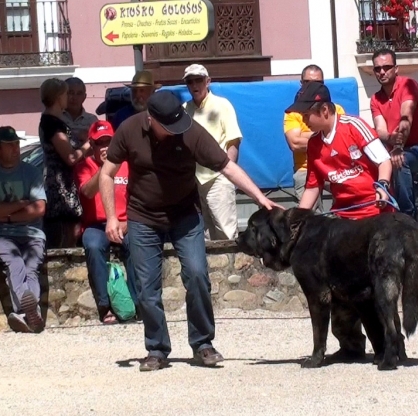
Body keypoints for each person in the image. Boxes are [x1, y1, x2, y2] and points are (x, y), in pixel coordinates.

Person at [99, 90, 282, 372]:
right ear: (151, 119)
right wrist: (112, 217)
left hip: (185, 214)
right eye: (168, 127)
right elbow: (107, 173)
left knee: (197, 275)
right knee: (147, 289)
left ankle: (203, 344)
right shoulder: (130, 129)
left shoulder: (190, 132)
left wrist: (260, 197)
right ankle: (157, 349)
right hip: (143, 217)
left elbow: (227, 167)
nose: (175, 131)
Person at [286, 81, 393, 360]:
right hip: (343, 224)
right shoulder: (314, 145)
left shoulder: (353, 126)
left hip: (373, 221)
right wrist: (296, 221)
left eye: (306, 114)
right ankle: (351, 346)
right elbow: (313, 187)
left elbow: (384, 161)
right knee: (343, 292)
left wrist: (382, 184)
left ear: (324, 110)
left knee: (377, 291)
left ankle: (392, 347)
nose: (303, 120)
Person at [74, 120, 138, 324]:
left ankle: (137, 304)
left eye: (108, 142)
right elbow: (87, 191)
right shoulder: (84, 166)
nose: (105, 147)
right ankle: (105, 306)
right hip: (96, 225)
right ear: (92, 146)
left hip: (125, 223)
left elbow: (138, 197)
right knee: (93, 246)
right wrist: (106, 168)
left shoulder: (129, 165)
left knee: (137, 245)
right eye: (99, 143)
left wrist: (128, 222)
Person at [370, 48, 418, 219]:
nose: (382, 71)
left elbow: (407, 117)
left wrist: (398, 146)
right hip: (392, 150)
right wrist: (391, 139)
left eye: (386, 67)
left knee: (400, 161)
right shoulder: (375, 99)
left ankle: (407, 217)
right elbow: (380, 130)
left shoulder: (408, 85)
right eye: (377, 69)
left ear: (396, 69)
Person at [182, 64, 241, 240]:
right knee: (205, 235)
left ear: (208, 81)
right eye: (190, 81)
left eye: (198, 80)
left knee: (226, 232)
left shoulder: (222, 105)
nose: (194, 85)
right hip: (195, 181)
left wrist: (227, 174)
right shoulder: (185, 108)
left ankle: (231, 269)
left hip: (218, 178)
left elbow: (233, 140)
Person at [0, 126, 46, 333]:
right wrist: (22, 203)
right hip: (4, 236)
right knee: (15, 262)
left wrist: (7, 216)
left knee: (31, 268)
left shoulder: (31, 172)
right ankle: (30, 312)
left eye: (16, 144)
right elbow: (29, 206)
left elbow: (39, 208)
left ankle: (23, 313)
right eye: (9, 145)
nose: (15, 148)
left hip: (32, 234)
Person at [283, 64, 346, 211]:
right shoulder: (292, 111)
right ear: (301, 83)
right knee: (311, 222)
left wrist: (305, 135)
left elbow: (341, 139)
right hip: (305, 170)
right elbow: (295, 143)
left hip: (334, 167)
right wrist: (324, 133)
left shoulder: (336, 109)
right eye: (308, 82)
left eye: (317, 83)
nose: (312, 86)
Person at [39, 78, 92, 248]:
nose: (68, 98)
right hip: (60, 188)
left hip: (66, 184)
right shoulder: (52, 123)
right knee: (65, 237)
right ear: (58, 97)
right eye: (65, 94)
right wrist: (89, 144)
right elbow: (70, 158)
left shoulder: (53, 120)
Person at [63, 77, 98, 145]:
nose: (74, 97)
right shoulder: (56, 118)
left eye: (79, 93)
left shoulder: (91, 120)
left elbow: (98, 145)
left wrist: (87, 139)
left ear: (84, 97)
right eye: (71, 93)